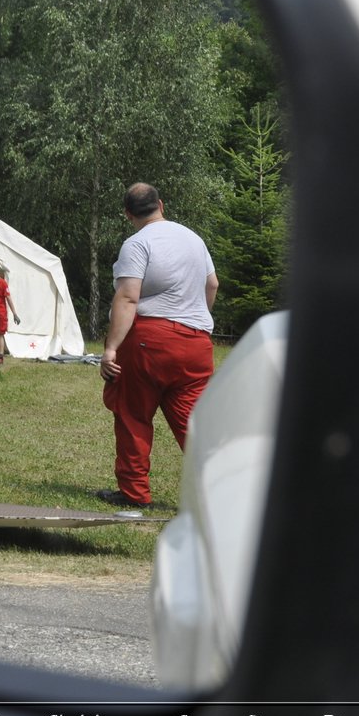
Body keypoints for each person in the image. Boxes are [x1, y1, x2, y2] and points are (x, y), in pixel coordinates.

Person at [96, 183, 218, 507]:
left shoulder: (137, 244)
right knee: (195, 421)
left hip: (151, 340)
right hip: (197, 343)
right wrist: (195, 319)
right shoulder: (194, 239)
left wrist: (110, 349)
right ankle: (224, 490)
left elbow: (128, 296)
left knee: (133, 413)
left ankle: (134, 493)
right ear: (161, 204)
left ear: (128, 214)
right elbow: (212, 284)